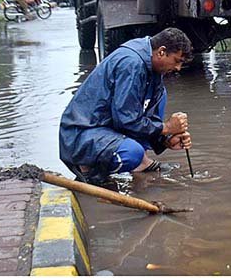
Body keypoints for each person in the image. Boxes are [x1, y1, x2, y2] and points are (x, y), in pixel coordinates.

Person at [59, 28, 193, 184]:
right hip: (81, 135)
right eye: (177, 61)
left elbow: (134, 114)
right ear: (161, 52)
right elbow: (126, 120)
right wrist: (167, 127)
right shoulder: (132, 63)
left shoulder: (151, 65)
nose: (177, 68)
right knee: (131, 153)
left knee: (160, 94)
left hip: (105, 126)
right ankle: (87, 168)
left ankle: (142, 162)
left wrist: (165, 140)